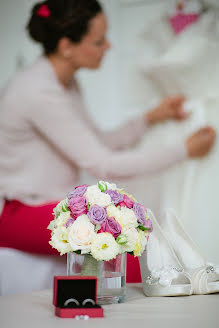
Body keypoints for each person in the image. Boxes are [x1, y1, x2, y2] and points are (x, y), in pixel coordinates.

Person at [0, 0, 215, 259]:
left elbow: (99, 142)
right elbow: (104, 164)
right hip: (19, 211)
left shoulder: (64, 83)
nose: (108, 46)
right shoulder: (38, 89)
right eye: (98, 41)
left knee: (135, 242)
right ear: (67, 46)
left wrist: (150, 118)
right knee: (135, 251)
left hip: (48, 204)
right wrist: (183, 150)